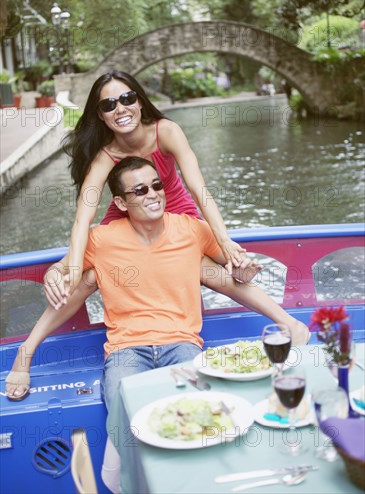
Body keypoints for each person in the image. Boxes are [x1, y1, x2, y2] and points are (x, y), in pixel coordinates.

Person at [5, 72, 309, 400]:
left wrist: (225, 242)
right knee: (90, 272)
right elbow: (84, 218)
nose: (120, 108)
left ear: (139, 99)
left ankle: (284, 321)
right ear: (100, 114)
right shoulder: (106, 155)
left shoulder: (166, 131)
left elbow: (199, 189)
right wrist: (71, 267)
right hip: (128, 208)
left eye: (127, 98)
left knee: (207, 265)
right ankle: (27, 351)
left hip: (173, 201)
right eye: (108, 104)